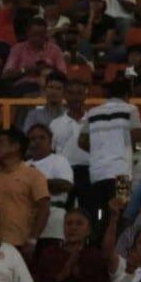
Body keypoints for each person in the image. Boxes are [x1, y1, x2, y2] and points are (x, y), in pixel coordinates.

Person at [78, 80, 141, 236]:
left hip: (97, 173)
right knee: (121, 214)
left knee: (99, 216)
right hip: (122, 173)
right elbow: (137, 133)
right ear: (127, 95)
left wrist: (99, 149)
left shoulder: (93, 112)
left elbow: (81, 141)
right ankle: (117, 253)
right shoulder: (130, 109)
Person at [0, 128, 51, 258]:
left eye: (1, 143)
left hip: (20, 244)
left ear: (15, 147)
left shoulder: (34, 175)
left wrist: (32, 241)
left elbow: (44, 208)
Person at [27, 123, 74, 250]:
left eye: (41, 138)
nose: (37, 142)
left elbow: (66, 185)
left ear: (50, 141)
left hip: (54, 219)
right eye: (33, 139)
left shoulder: (59, 160)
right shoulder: (24, 165)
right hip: (28, 220)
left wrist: (36, 183)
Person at [50, 78, 91, 211]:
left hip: (90, 172)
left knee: (90, 211)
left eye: (79, 93)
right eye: (71, 93)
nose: (75, 97)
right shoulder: (55, 124)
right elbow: (52, 152)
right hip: (64, 173)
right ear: (65, 96)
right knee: (64, 211)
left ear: (85, 95)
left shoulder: (94, 120)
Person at [2, 17, 67, 95]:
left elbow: (63, 74)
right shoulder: (17, 48)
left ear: (46, 33)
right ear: (27, 33)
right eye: (34, 34)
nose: (38, 38)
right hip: (24, 86)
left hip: (49, 88)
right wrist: (25, 70)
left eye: (41, 35)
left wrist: (49, 70)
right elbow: (6, 74)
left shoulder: (55, 50)